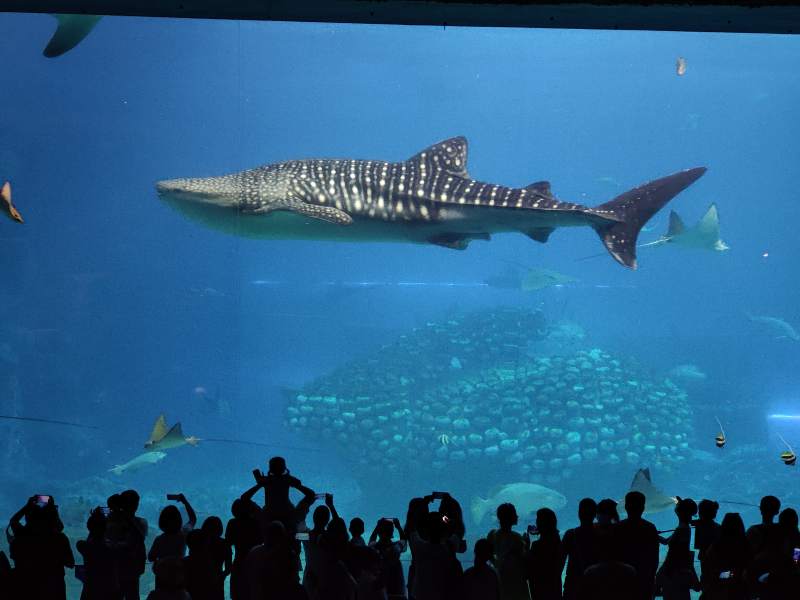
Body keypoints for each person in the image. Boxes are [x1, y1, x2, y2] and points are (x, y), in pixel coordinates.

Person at [409, 511, 463, 600]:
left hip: (422, 594)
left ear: (426, 530)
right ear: (444, 530)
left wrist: (423, 515)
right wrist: (447, 520)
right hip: (444, 594)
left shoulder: (418, 547)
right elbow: (458, 529)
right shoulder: (450, 545)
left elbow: (412, 528)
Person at [616, 491, 659, 600]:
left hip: (622, 580)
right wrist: (651, 578)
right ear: (643, 508)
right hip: (645, 579)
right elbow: (654, 558)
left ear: (625, 507)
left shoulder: (617, 528)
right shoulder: (650, 528)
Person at [656, 497, 699, 600]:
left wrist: (662, 573)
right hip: (678, 572)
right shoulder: (683, 528)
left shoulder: (682, 529)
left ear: (681, 512)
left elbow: (674, 553)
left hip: (674, 572)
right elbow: (666, 541)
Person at [486, 502, 530, 600]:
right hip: (516, 581)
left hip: (500, 579)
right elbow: (523, 561)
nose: (517, 516)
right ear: (510, 517)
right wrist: (527, 546)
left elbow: (488, 555)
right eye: (514, 514)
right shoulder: (517, 538)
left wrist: (497, 565)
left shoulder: (492, 535)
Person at [700, 512, 749, 600]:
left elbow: (707, 566)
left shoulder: (717, 545)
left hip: (719, 588)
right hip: (739, 589)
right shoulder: (746, 544)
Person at [75, 507, 118, 600]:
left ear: (89, 527)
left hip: (90, 588)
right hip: (109, 588)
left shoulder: (83, 545)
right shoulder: (112, 548)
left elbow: (91, 538)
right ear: (105, 527)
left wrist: (96, 519)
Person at [148, 494, 197, 571]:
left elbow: (150, 557)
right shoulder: (184, 534)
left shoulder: (159, 539)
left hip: (162, 576)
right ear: (179, 520)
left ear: (162, 522)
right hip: (179, 574)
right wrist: (185, 502)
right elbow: (193, 519)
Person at [560, 498, 597, 600]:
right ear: (595, 514)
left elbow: (559, 564)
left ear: (579, 513)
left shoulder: (570, 534)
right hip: (595, 587)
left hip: (573, 587)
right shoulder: (601, 535)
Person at [226, 498, 262, 600]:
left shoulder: (233, 523)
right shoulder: (257, 523)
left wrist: (228, 566)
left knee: (238, 593)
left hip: (239, 562)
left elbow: (228, 545)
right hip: (256, 563)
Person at [526, 508, 562, 600]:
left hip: (539, 591)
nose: (536, 522)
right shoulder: (558, 542)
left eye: (538, 520)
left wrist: (526, 546)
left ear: (541, 523)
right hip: (555, 590)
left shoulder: (537, 546)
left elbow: (529, 570)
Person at [369, 517, 408, 600]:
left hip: (378, 590)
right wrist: (398, 526)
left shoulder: (373, 548)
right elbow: (404, 541)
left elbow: (371, 540)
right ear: (392, 533)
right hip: (396, 591)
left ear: (379, 532)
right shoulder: (396, 548)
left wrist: (377, 526)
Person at [201, 516, 232, 600]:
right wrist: (222, 576)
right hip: (217, 577)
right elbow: (228, 568)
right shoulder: (225, 544)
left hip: (200, 577)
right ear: (220, 529)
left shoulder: (200, 543)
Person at [693, 499, 720, 579]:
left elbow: (686, 520)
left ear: (700, 513)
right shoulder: (718, 527)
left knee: (706, 578)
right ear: (714, 514)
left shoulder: (700, 525)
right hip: (715, 560)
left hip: (706, 558)